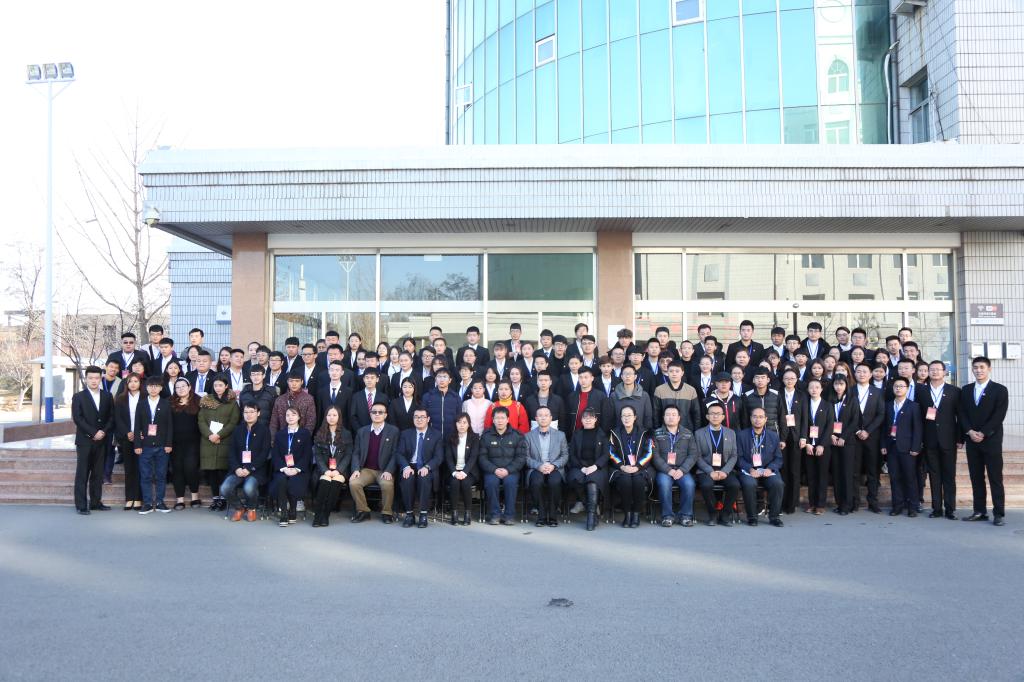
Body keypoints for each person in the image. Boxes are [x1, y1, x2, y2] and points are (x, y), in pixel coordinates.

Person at [958, 356, 1009, 526]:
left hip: (991, 440)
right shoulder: (966, 390)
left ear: (989, 369)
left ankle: (999, 513)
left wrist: (983, 433)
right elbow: (962, 413)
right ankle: (979, 511)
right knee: (976, 477)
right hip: (972, 440)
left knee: (995, 478)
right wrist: (970, 431)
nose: (978, 370)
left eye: (982, 367)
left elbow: (999, 415)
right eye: (975, 367)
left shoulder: (1000, 390)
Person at [917, 361, 960, 519]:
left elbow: (960, 416)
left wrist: (960, 438)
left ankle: (950, 509)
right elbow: (919, 417)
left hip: (949, 439)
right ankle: (936, 508)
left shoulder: (954, 391)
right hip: (929, 439)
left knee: (949, 475)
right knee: (934, 475)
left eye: (938, 369)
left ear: (944, 372)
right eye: (932, 369)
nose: (934, 372)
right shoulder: (921, 391)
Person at [71, 366, 115, 515]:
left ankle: (96, 502)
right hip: (84, 441)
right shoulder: (78, 397)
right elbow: (78, 418)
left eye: (97, 378)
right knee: (82, 473)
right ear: (86, 379)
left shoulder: (107, 396)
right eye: (90, 378)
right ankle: (81, 505)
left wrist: (103, 431)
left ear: (101, 379)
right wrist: (93, 432)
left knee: (98, 473)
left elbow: (112, 417)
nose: (94, 381)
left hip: (102, 440)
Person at [349, 402, 401, 523]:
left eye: (380, 412)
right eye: (374, 412)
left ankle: (387, 512)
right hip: (366, 469)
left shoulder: (393, 431)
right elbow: (356, 453)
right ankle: (363, 511)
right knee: (354, 483)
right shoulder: (362, 431)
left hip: (384, 469)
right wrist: (356, 469)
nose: (377, 414)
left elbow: (395, 454)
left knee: (387, 484)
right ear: (370, 414)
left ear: (385, 415)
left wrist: (389, 470)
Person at [220, 401, 270, 522]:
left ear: (258, 413)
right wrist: (237, 468)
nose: (248, 415)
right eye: (246, 412)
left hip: (256, 470)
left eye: (252, 412)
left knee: (249, 488)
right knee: (224, 488)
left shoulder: (264, 430)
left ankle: (251, 508)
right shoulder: (238, 430)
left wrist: (250, 468)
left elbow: (264, 454)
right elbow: (231, 451)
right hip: (238, 468)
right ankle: (239, 508)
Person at [691, 402, 740, 526]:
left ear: (723, 416)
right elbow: (697, 456)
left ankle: (725, 515)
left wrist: (725, 471)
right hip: (706, 470)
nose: (715, 416)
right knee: (706, 485)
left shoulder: (731, 433)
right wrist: (710, 471)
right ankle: (712, 514)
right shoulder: (699, 433)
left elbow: (734, 455)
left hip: (725, 469)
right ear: (707, 416)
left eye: (718, 414)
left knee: (734, 485)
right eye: (712, 413)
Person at [478, 406, 528, 525]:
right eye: (497, 418)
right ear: (493, 420)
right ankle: (494, 515)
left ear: (508, 419)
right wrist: (494, 469)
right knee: (491, 483)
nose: (500, 421)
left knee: (510, 483)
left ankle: (509, 515)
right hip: (492, 470)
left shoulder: (517, 435)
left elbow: (521, 457)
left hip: (511, 471)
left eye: (502, 418)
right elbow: (482, 457)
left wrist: (508, 470)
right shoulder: (486, 436)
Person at [197, 375, 239, 512]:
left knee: (222, 471)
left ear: (226, 386)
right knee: (211, 472)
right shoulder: (206, 400)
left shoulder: (232, 402)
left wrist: (219, 435)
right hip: (208, 440)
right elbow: (201, 420)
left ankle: (223, 498)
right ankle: (216, 498)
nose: (218, 388)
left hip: (224, 440)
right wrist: (210, 435)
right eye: (215, 385)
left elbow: (233, 422)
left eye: (221, 385)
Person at [736, 407, 785, 527]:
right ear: (750, 418)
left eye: (761, 417)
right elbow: (738, 458)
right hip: (749, 470)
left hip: (767, 469)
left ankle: (774, 517)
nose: (757, 419)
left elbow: (778, 458)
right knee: (749, 484)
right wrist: (750, 469)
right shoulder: (741, 435)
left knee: (777, 483)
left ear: (766, 419)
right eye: (755, 416)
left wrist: (770, 468)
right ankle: (752, 517)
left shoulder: (773, 436)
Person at [882, 377, 923, 517]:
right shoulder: (888, 405)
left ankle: (912, 506)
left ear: (907, 388)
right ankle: (897, 506)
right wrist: (883, 444)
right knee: (894, 478)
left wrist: (915, 447)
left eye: (901, 386)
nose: (898, 388)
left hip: (907, 448)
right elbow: (884, 427)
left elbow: (918, 429)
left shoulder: (914, 406)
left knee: (910, 478)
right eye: (896, 386)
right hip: (891, 447)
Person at [394, 408, 442, 528]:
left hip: (426, 466)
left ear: (428, 419)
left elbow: (438, 457)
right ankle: (409, 514)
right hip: (410, 465)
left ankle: (423, 514)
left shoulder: (436, 435)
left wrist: (427, 467)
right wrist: (405, 466)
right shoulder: (406, 434)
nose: (419, 419)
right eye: (416, 417)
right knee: (407, 478)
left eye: (422, 417)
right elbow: (399, 453)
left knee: (424, 478)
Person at [608, 405, 653, 528]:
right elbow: (611, 452)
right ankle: (627, 514)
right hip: (621, 469)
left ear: (635, 417)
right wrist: (622, 466)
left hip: (640, 468)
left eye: (629, 415)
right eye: (624, 415)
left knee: (638, 480)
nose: (626, 418)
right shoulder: (614, 433)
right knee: (625, 481)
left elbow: (649, 452)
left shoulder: (644, 433)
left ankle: (636, 514)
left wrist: (637, 466)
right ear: (620, 418)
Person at [133, 377, 174, 514]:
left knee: (161, 475)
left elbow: (170, 425)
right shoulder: (141, 404)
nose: (153, 388)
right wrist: (137, 444)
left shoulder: (166, 404)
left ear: (161, 388)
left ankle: (160, 502)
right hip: (145, 445)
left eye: (156, 386)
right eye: (151, 386)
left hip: (162, 446)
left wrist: (169, 443)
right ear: (146, 387)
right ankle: (148, 503)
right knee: (145, 475)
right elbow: (137, 425)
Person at [651, 405, 697, 527]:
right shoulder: (656, 434)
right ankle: (667, 516)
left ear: (679, 418)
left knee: (689, 484)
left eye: (673, 415)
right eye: (667, 415)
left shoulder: (688, 433)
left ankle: (685, 516)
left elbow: (693, 454)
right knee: (664, 484)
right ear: (663, 417)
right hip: (664, 470)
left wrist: (682, 470)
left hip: (682, 470)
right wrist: (668, 470)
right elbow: (655, 456)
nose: (670, 417)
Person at [524, 406, 569, 527]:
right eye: (540, 415)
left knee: (555, 482)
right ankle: (541, 514)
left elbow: (565, 455)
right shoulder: (528, 436)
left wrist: (553, 465)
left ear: (551, 418)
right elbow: (526, 457)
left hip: (554, 467)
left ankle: (553, 515)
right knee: (536, 482)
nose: (543, 418)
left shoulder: (560, 435)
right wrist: (539, 466)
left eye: (546, 415)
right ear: (536, 418)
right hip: (536, 467)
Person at [566, 408, 609, 531]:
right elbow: (572, 454)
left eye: (591, 417)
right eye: (585, 417)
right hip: (580, 466)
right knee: (574, 478)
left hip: (597, 467)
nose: (588, 420)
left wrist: (595, 466)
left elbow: (606, 454)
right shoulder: (577, 434)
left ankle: (591, 517)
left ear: (595, 419)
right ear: (581, 420)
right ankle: (590, 506)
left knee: (592, 482)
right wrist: (582, 468)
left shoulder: (602, 434)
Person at [310, 405, 353, 527]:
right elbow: (318, 455)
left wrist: (338, 470)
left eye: (334, 415)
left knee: (335, 482)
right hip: (323, 469)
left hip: (340, 469)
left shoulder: (346, 434)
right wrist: (325, 470)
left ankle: (325, 515)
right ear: (325, 417)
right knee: (325, 481)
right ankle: (317, 515)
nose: (331, 417)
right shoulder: (320, 433)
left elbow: (348, 455)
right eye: (329, 415)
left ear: (339, 417)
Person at [270, 407, 313, 526]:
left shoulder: (305, 434)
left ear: (299, 417)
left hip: (299, 470)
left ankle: (293, 510)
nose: (290, 417)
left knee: (293, 481)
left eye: (293, 414)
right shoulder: (280, 434)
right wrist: (284, 468)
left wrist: (296, 469)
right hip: (283, 469)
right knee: (281, 480)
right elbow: (275, 454)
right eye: (288, 415)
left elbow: (307, 454)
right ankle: (284, 513)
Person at [777, 367, 808, 514]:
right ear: (782, 380)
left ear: (797, 380)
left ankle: (792, 503)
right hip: (782, 437)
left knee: (794, 471)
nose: (789, 381)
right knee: (783, 469)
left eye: (792, 378)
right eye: (786, 378)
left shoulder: (802, 395)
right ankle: (781, 501)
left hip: (796, 437)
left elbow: (805, 418)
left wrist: (803, 437)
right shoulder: (778, 394)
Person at [169, 378, 202, 509]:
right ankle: (180, 499)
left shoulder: (198, 401)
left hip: (193, 442)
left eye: (183, 386)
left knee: (191, 468)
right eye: (177, 387)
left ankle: (195, 497)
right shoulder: (170, 402)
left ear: (189, 387)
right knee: (177, 469)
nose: (181, 389)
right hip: (175, 443)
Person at [829, 375, 860, 515]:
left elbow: (855, 421)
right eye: (836, 384)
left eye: (841, 384)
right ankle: (839, 502)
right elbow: (827, 420)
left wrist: (843, 437)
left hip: (848, 442)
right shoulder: (830, 400)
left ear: (846, 385)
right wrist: (831, 435)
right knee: (837, 473)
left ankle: (847, 505)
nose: (838, 387)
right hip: (833, 441)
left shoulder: (852, 400)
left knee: (847, 473)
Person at [113, 373, 144, 511]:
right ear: (126, 384)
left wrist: (138, 433)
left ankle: (138, 498)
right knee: (129, 469)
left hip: (142, 438)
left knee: (140, 469)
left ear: (140, 383)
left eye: (136, 381)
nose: (133, 384)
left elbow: (148, 418)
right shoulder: (120, 399)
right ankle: (129, 498)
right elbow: (118, 418)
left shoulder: (145, 397)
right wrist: (127, 433)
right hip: (126, 438)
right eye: (130, 381)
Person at [803, 378, 834, 515]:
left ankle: (820, 504)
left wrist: (822, 445)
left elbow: (830, 426)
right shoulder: (804, 404)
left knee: (822, 475)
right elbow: (802, 424)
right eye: (811, 387)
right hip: (809, 445)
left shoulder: (828, 405)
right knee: (811, 476)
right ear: (808, 389)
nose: (814, 390)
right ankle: (812, 503)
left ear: (821, 389)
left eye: (817, 387)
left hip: (823, 446)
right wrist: (807, 443)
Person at [445, 413, 480, 525]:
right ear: (455, 424)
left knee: (465, 483)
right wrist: (455, 472)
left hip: (469, 471)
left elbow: (473, 457)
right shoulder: (450, 437)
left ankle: (467, 514)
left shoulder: (474, 437)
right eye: (459, 422)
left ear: (469, 424)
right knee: (454, 483)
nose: (461, 425)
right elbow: (448, 457)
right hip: (454, 470)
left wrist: (464, 472)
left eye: (464, 422)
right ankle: (454, 514)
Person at [565, 367, 613, 441]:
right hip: (575, 437)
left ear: (592, 378)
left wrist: (601, 436)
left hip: (595, 438)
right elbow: (567, 419)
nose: (583, 380)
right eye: (580, 377)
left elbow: (606, 419)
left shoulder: (601, 396)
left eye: (586, 377)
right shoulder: (571, 397)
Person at [652, 361, 701, 432]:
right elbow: (656, 413)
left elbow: (696, 413)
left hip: (686, 429)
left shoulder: (691, 390)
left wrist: (696, 431)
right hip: (665, 430)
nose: (674, 374)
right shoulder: (659, 390)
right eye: (671, 371)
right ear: (667, 372)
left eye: (677, 371)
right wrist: (657, 430)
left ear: (682, 373)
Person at [270, 373, 317, 439]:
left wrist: (304, 438)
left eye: (297, 381)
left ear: (302, 382)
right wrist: (273, 440)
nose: (294, 384)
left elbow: (311, 421)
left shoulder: (308, 399)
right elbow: (274, 422)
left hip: (301, 438)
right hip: (282, 438)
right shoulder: (280, 399)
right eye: (291, 381)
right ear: (287, 382)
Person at [421, 368, 460, 441]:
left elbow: (459, 417)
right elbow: (423, 417)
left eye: (445, 377)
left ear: (450, 380)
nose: (442, 380)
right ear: (435, 379)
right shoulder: (427, 396)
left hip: (451, 436)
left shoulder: (455, 397)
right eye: (439, 376)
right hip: (432, 435)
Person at [610, 365, 653, 432]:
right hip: (619, 433)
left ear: (635, 376)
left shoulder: (644, 395)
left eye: (630, 373)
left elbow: (648, 417)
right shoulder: (614, 396)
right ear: (621, 376)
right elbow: (611, 418)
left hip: (640, 433)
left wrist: (646, 433)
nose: (627, 376)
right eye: (625, 374)